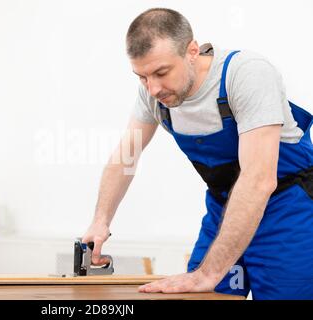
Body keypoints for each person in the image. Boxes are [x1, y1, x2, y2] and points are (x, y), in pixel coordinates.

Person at [82, 8, 313, 299]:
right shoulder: (154, 95)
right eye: (141, 77)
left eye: (161, 73)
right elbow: (125, 156)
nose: (152, 88)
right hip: (225, 210)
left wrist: (207, 274)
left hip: (288, 213)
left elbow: (258, 180)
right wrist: (100, 221)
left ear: (192, 50)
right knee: (197, 295)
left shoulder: (246, 74)